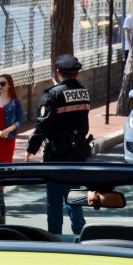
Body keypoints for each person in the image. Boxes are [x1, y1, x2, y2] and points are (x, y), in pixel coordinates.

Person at [26, 53, 93, 235]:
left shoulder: (52, 95)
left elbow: (42, 126)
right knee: (75, 196)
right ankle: (80, 235)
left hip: (57, 155)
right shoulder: (84, 92)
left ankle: (54, 238)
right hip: (78, 153)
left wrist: (31, 149)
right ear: (77, 73)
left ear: (57, 72)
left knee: (54, 200)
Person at [0, 74, 24, 163]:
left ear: (9, 85)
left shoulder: (15, 101)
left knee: (6, 166)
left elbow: (20, 120)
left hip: (8, 139)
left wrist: (9, 129)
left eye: (2, 83)